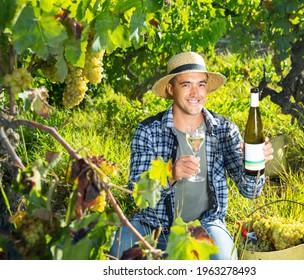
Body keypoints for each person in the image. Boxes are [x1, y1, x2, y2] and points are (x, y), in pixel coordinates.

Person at [109, 51, 273, 260]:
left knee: (223, 263)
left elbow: (250, 192)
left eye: (201, 84)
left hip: (205, 227)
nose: (196, 93)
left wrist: (254, 164)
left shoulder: (223, 129)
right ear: (171, 89)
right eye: (186, 84)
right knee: (117, 249)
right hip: (155, 224)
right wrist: (170, 175)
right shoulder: (148, 130)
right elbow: (136, 194)